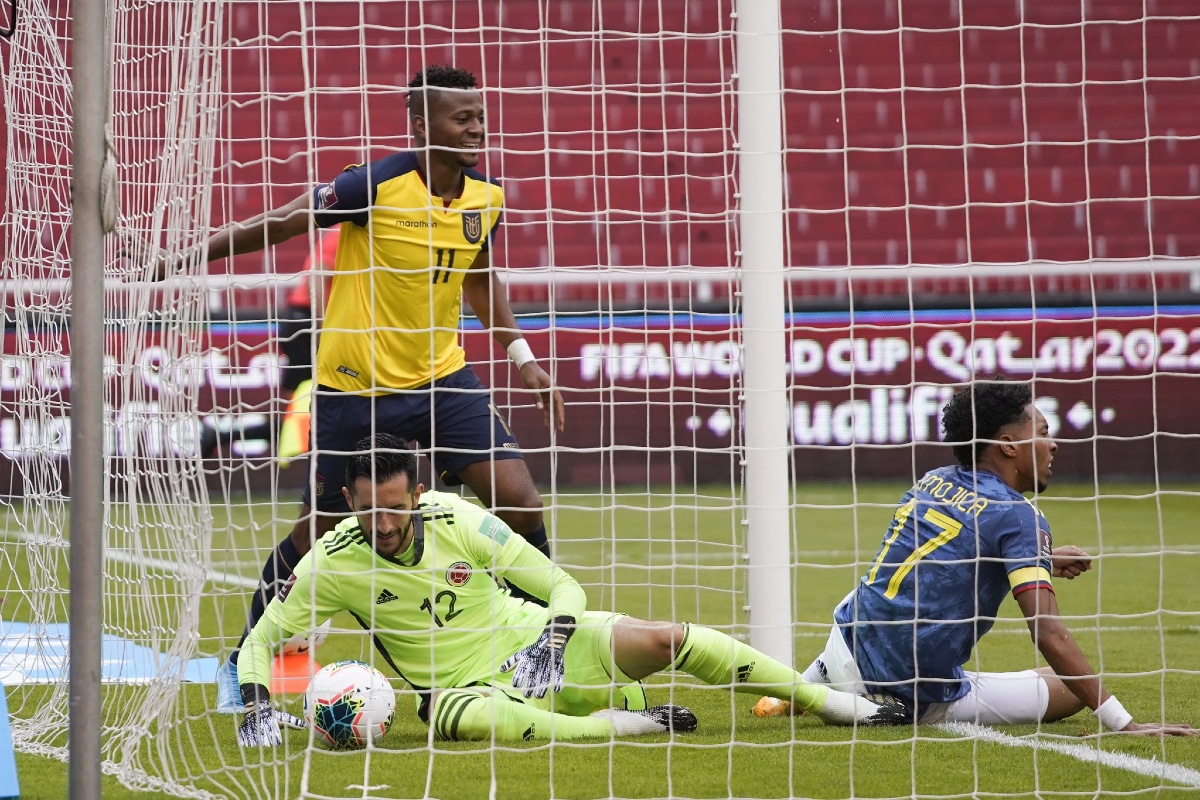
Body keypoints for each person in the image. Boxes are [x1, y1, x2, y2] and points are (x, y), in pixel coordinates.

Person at [158, 65, 567, 708]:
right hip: (354, 389)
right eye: (463, 117)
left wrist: (520, 353)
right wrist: (183, 257)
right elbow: (285, 221)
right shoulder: (372, 186)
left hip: (442, 377)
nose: (477, 127)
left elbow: (479, 275)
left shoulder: (486, 196)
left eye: (480, 116)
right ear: (421, 124)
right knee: (316, 534)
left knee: (519, 501)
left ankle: (535, 646)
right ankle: (245, 660)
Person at [235, 433, 907, 747]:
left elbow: (557, 584)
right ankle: (625, 721)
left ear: (417, 492)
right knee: (480, 723)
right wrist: (256, 703)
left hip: (532, 643)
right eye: (367, 509)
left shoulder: (458, 518)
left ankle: (831, 703)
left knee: (666, 637)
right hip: (460, 691)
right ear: (347, 498)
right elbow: (263, 638)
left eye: (395, 508)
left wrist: (552, 640)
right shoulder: (333, 559)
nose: (382, 525)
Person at [754, 379, 1195, 737]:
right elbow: (1048, 632)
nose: (1053, 444)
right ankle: (861, 702)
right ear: (1007, 445)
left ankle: (811, 684)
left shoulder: (933, 480)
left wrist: (1039, 558)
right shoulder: (1021, 517)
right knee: (1069, 689)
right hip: (915, 691)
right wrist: (1125, 723)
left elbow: (950, 549)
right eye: (1041, 432)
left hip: (846, 638)